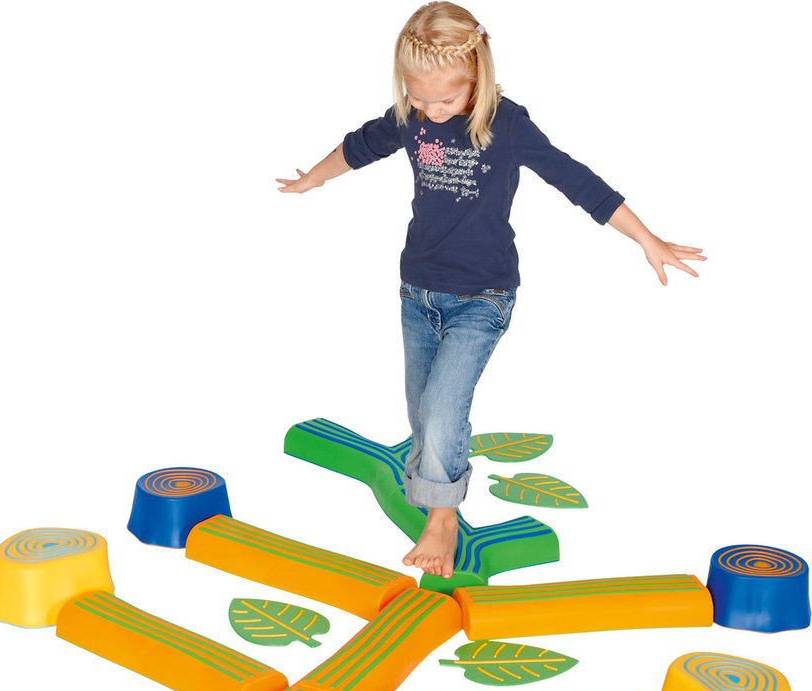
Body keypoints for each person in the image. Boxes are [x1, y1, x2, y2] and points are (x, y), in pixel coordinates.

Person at [277, 1, 704, 580]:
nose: (430, 111)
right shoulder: (411, 117)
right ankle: (433, 471)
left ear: (476, 74)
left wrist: (646, 238)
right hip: (417, 291)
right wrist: (312, 179)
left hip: (483, 297)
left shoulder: (507, 126)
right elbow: (358, 147)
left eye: (444, 100)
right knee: (423, 410)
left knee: (443, 407)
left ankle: (443, 519)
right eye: (418, 97)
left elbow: (576, 180)